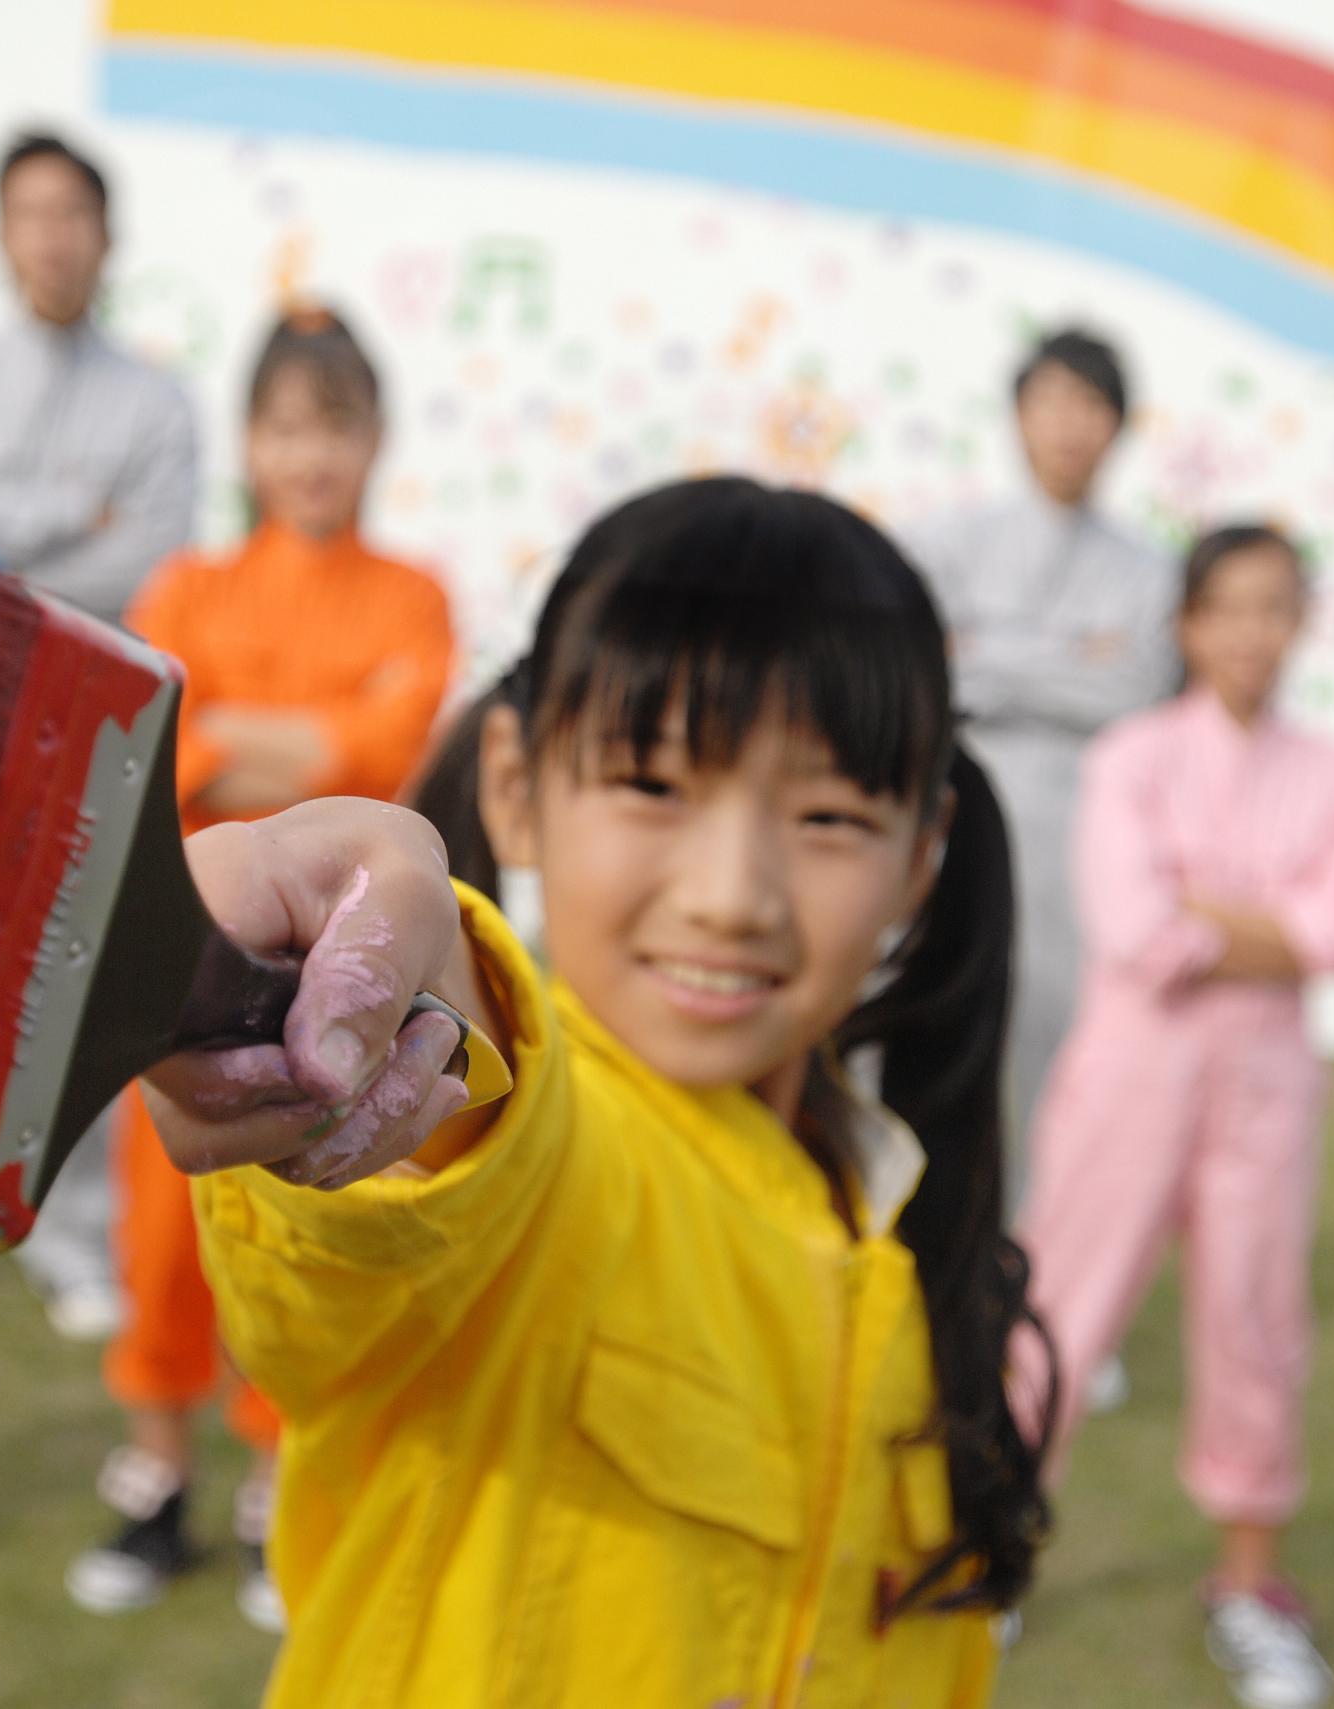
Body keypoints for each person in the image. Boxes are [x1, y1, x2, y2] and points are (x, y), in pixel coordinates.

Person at [127, 477, 1052, 1705]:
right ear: (514, 785)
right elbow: (463, 1126)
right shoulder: (527, 1150)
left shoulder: (896, 1222)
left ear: (920, 854)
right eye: (652, 785)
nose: (731, 894)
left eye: (828, 814)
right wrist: (362, 967)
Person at [66, 306, 454, 1632]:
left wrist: (234, 731)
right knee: (163, 1228)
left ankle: (274, 1485)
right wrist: (295, 742)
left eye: (334, 425)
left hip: (342, 968)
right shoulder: (189, 586)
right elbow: (153, 741)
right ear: (248, 441)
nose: (310, 454)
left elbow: (391, 754)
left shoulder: (413, 595)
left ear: (375, 439)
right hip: (177, 960)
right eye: (285, 426)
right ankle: (154, 1468)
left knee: (318, 1219)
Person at [1014, 524, 1334, 1709]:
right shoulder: (1131, 756)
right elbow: (1136, 929)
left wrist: (1208, 913)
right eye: (1225, 605)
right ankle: (989, 1558)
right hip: (1131, 1078)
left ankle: (1246, 1586)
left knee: (1254, 1320)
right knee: (1055, 1311)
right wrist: (1268, 922)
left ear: (1301, 620)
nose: (1249, 631)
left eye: (1273, 604)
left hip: (1263, 1090)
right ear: (1185, 624)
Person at [0, 129, 203, 1340]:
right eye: (31, 212)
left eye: (73, 213)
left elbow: (148, 558)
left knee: (69, 977)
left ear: (106, 235)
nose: (53, 237)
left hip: (83, 725)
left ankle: (67, 1236)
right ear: (0, 233)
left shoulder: (156, 401)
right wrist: (68, 510)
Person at [905, 329, 1180, 1213]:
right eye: (1051, 401)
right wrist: (1070, 654)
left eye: (1090, 404)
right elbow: (925, 667)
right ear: (1018, 414)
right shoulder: (946, 540)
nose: (1068, 425)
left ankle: (1033, 1230)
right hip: (949, 814)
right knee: (929, 1015)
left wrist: (987, 647)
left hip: (1075, 838)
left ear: (1119, 425)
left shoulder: (1148, 572)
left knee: (1054, 1039)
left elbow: (1136, 687)